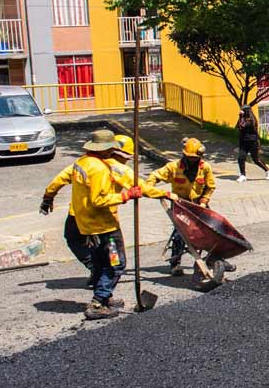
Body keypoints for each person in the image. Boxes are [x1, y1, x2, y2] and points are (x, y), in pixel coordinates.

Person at [38, 129, 145, 319]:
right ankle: (98, 301)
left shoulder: (83, 163)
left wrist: (48, 196)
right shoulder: (108, 169)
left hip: (81, 221)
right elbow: (104, 198)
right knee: (115, 263)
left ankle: (104, 295)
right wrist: (135, 194)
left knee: (99, 261)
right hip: (104, 226)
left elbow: (60, 179)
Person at [145, 137, 216, 276]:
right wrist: (150, 188)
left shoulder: (205, 167)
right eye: (190, 157)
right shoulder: (174, 167)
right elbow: (155, 175)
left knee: (210, 232)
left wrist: (203, 201)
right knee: (180, 234)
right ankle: (175, 264)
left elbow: (210, 186)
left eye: (195, 158)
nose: (193, 160)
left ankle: (214, 259)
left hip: (199, 204)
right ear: (184, 155)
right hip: (181, 205)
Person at [236, 105, 269, 182]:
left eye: (243, 111)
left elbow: (242, 126)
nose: (241, 112)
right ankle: (243, 175)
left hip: (253, 142)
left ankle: (268, 170)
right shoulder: (242, 118)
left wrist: (241, 116)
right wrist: (240, 117)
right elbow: (237, 127)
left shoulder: (251, 120)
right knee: (241, 158)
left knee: (256, 159)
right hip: (243, 142)